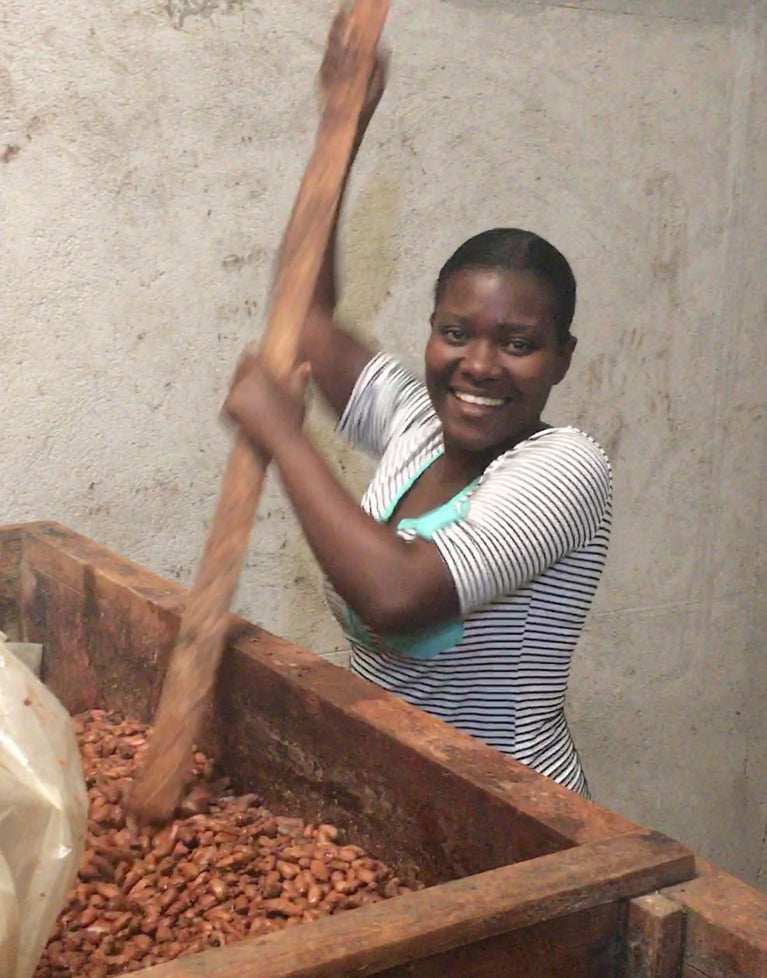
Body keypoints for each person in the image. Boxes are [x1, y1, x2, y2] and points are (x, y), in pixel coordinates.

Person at [225, 21, 612, 797]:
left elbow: (397, 596)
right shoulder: (415, 424)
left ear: (561, 358)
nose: (478, 364)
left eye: (517, 343)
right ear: (430, 334)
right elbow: (302, 318)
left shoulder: (565, 469)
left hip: (515, 818)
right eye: (455, 333)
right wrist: (342, 127)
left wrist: (285, 439)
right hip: (393, 795)